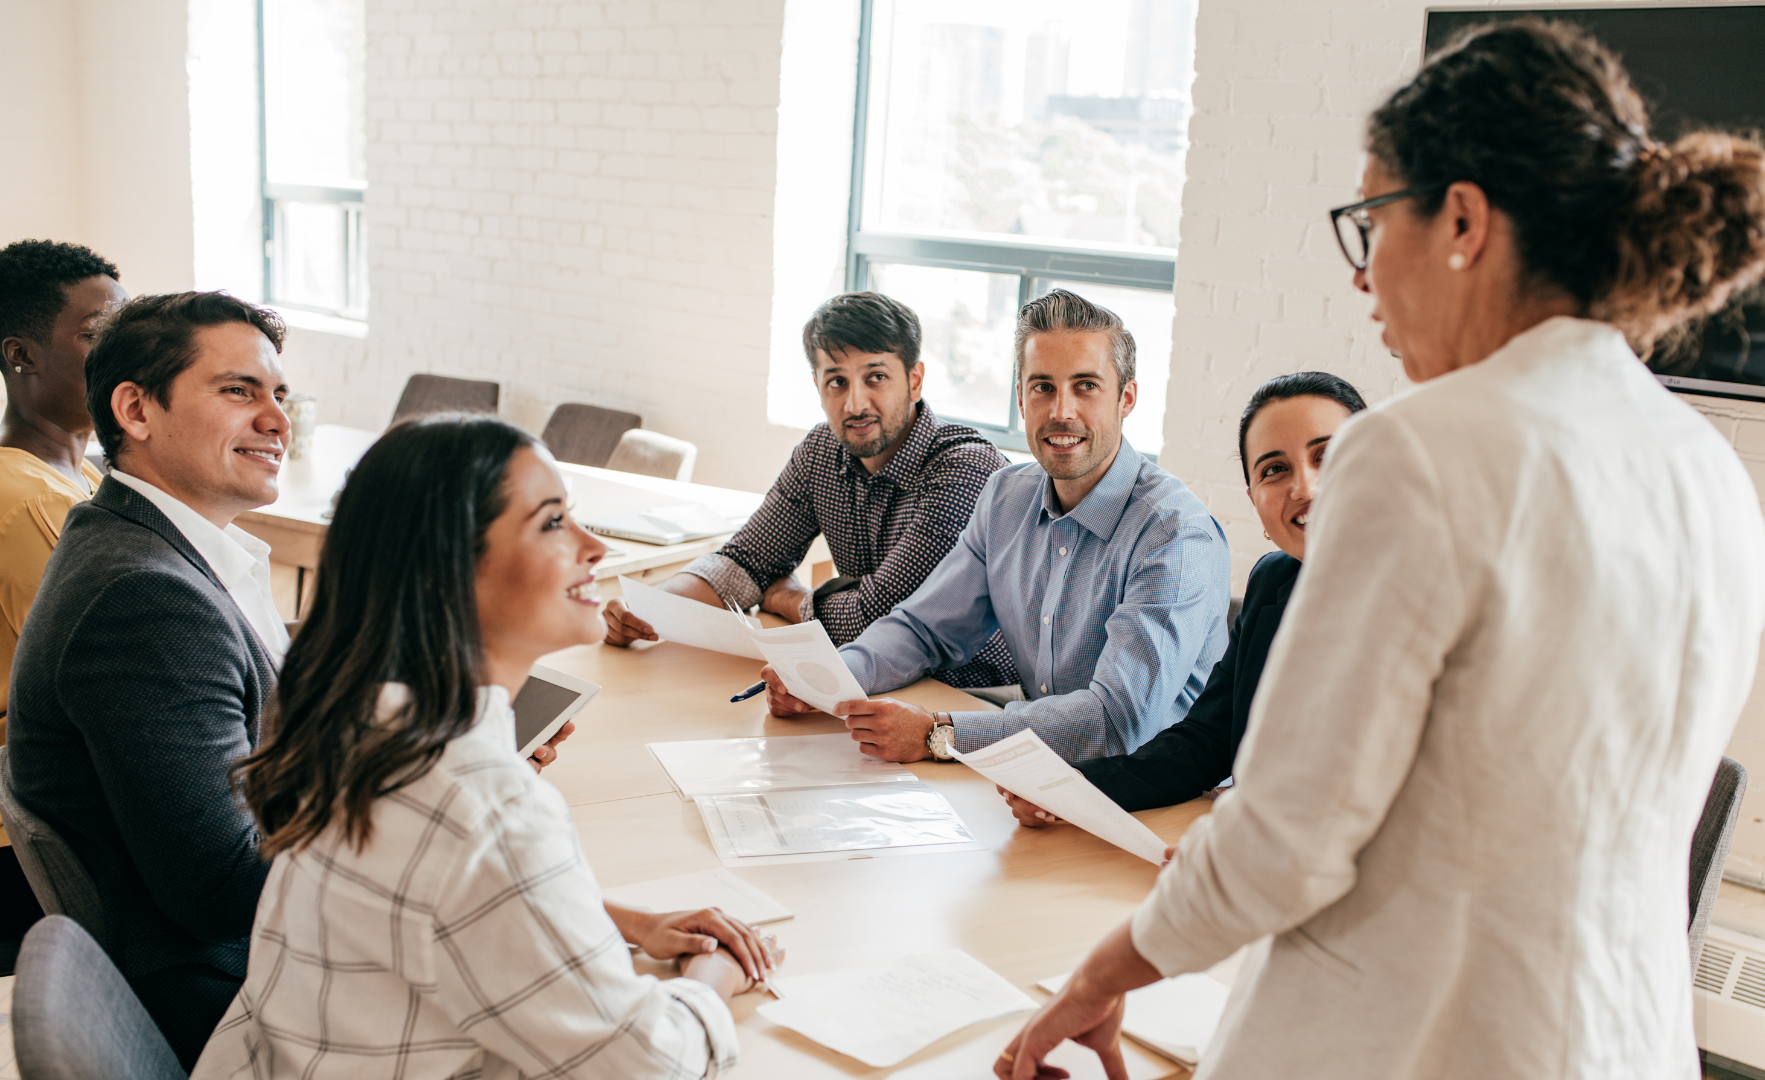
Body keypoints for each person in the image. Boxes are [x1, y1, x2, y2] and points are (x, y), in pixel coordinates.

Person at [999, 19, 1765, 1080]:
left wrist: (1102, 974)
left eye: (1373, 220)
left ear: (1462, 217)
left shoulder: (1417, 452)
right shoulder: (1709, 473)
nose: (1362, 277)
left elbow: (1288, 837)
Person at [7, 292, 573, 1067]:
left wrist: (434, 761)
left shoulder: (154, 548)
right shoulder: (143, 600)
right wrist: (439, 804)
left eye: (278, 394)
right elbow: (224, 886)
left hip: (273, 960)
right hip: (245, 998)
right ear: (135, 410)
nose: (279, 419)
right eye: (239, 391)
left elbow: (272, 748)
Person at [196, 415, 779, 1080]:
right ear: (448, 568)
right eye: (553, 523)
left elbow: (442, 905)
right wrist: (716, 976)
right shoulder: (480, 805)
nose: (593, 547)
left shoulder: (363, 718)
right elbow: (644, 1062)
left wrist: (622, 921)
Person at [764, 288, 1232, 764]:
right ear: (1021, 399)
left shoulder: (1174, 534)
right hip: (1042, 779)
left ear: (1126, 398)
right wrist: (827, 676)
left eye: (1086, 386)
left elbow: (1118, 720)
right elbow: (924, 628)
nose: (1060, 411)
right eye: (1042, 387)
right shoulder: (1006, 495)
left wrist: (939, 736)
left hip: (1162, 796)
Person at [603, 292, 1021, 689]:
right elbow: (745, 561)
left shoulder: (963, 469)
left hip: (978, 693)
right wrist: (649, 609)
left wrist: (791, 598)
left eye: (876, 377)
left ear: (915, 380)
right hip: (875, 680)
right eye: (837, 382)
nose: (855, 403)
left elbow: (881, 620)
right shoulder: (822, 451)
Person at [1001, 372, 1365, 825]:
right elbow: (1206, 742)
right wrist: (1073, 790)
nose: (1305, 488)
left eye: (1327, 456)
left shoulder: (1443, 591)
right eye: (1274, 469)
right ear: (1255, 501)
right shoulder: (1275, 582)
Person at [0, 239, 125, 717]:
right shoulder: (31, 502)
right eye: (98, 335)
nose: (126, 354)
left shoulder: (81, 475)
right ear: (21, 356)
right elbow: (100, 676)